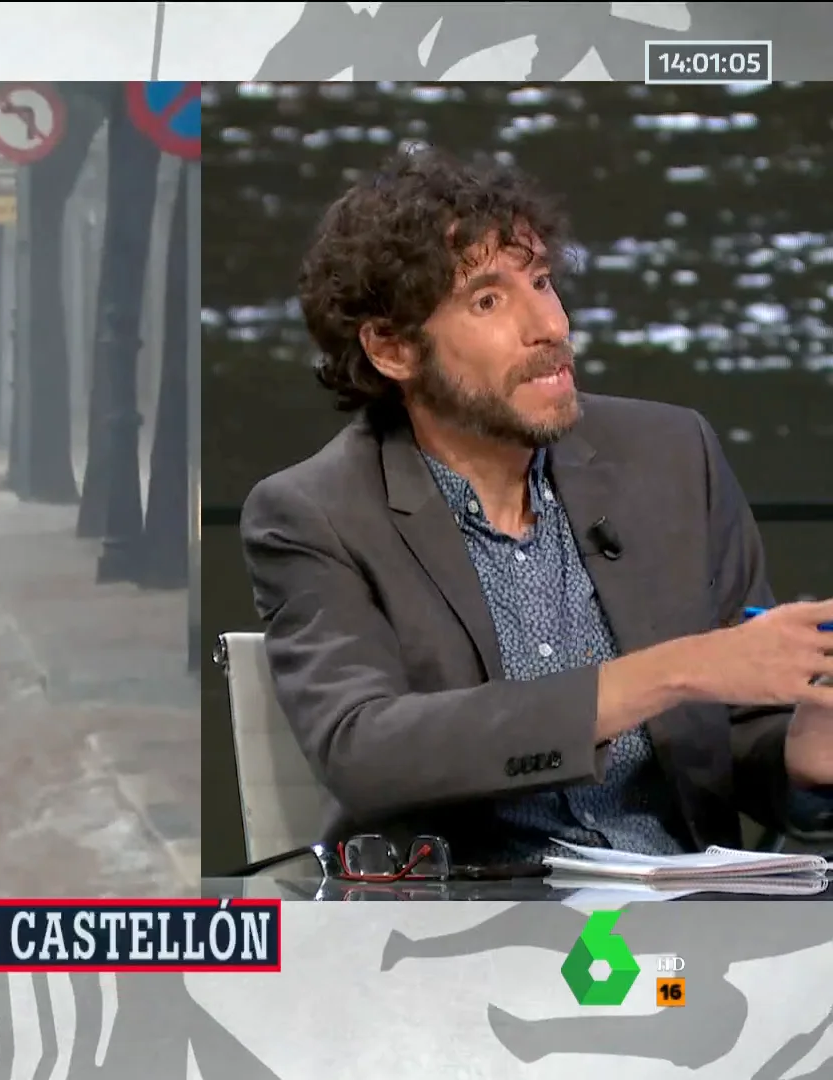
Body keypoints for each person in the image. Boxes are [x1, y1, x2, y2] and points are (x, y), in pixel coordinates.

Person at [240, 145, 833, 868]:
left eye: (544, 282)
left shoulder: (674, 456)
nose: (550, 326)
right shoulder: (316, 513)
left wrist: (805, 753)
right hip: (477, 927)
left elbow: (738, 737)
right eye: (489, 300)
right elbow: (367, 750)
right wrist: (673, 672)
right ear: (393, 349)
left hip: (688, 918)